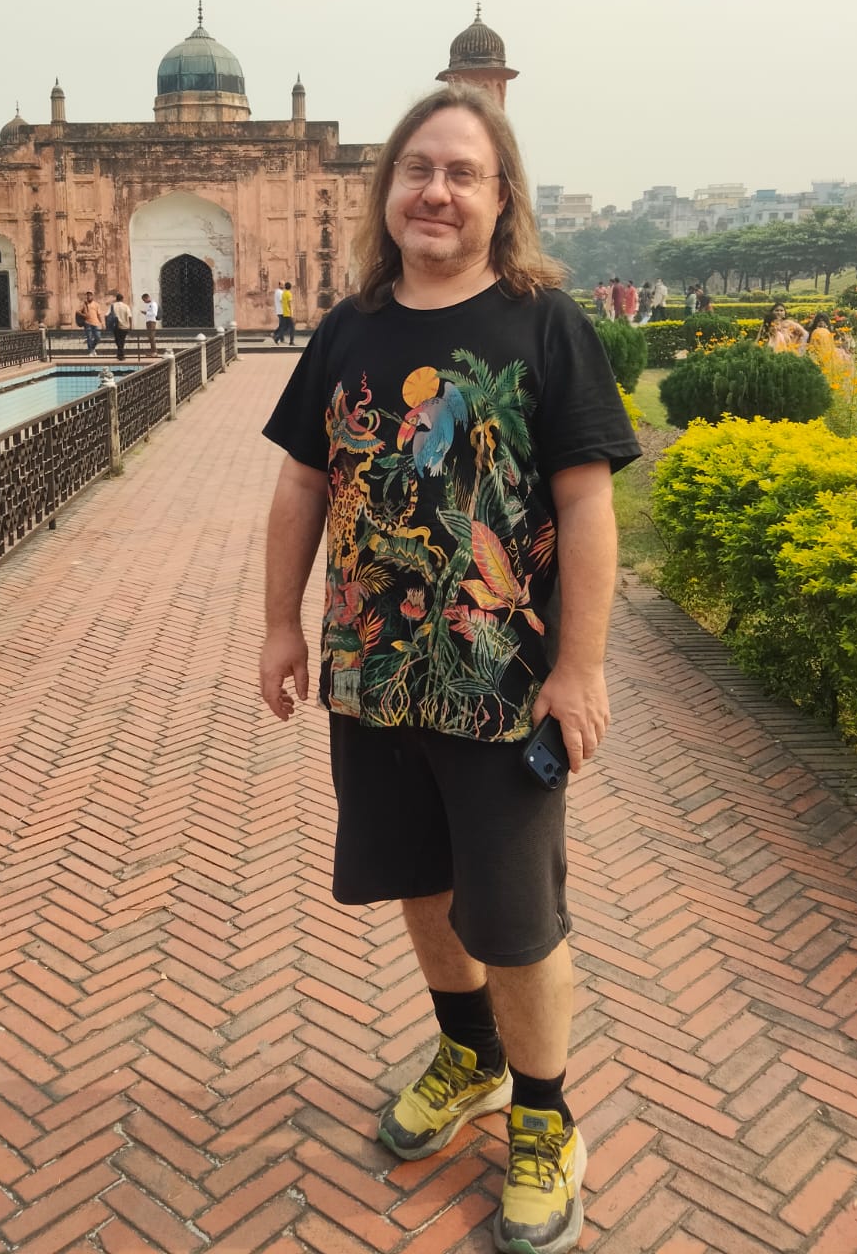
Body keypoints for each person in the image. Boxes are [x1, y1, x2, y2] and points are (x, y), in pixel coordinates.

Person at [259, 84, 639, 1254]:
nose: (435, 191)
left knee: (515, 915)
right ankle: (470, 1054)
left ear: (500, 194)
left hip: (501, 685)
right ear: (387, 190)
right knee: (418, 879)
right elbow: (304, 480)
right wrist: (280, 626)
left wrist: (580, 668)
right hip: (373, 679)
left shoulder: (543, 324)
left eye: (462, 172)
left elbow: (587, 505)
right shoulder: (350, 327)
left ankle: (545, 1116)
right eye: (417, 169)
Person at [109, 292, 132, 362]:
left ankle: (120, 355)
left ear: (116, 299)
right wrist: (130, 325)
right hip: (125, 326)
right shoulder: (126, 306)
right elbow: (130, 316)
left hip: (115, 326)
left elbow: (107, 315)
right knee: (122, 340)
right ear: (122, 299)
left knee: (118, 340)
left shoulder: (112, 306)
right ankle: (121, 355)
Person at [280, 281, 295, 346]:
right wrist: (292, 313)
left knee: (285, 327)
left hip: (284, 312)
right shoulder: (289, 294)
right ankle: (291, 342)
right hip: (288, 313)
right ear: (290, 287)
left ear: (285, 287)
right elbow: (290, 304)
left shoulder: (283, 293)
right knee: (292, 328)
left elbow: (281, 301)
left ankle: (277, 337)